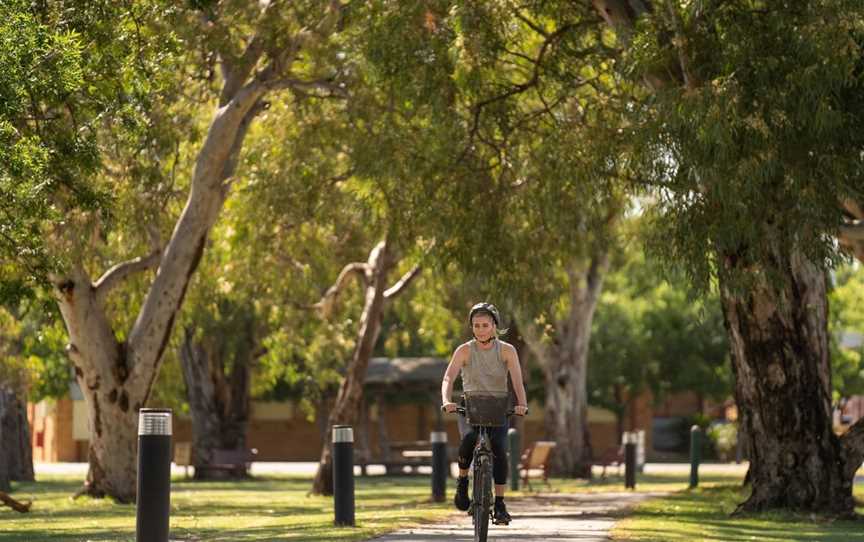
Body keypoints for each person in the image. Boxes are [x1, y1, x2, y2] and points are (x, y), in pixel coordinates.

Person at [441, 302, 529, 524]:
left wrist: (522, 403)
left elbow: (517, 381)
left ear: (494, 326)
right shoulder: (464, 350)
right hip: (470, 404)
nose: (480, 330)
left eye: (485, 325)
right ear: (472, 327)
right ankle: (462, 482)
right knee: (470, 437)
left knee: (499, 447)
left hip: (498, 406)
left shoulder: (507, 350)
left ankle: (499, 503)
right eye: (476, 325)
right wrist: (446, 399)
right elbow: (448, 378)